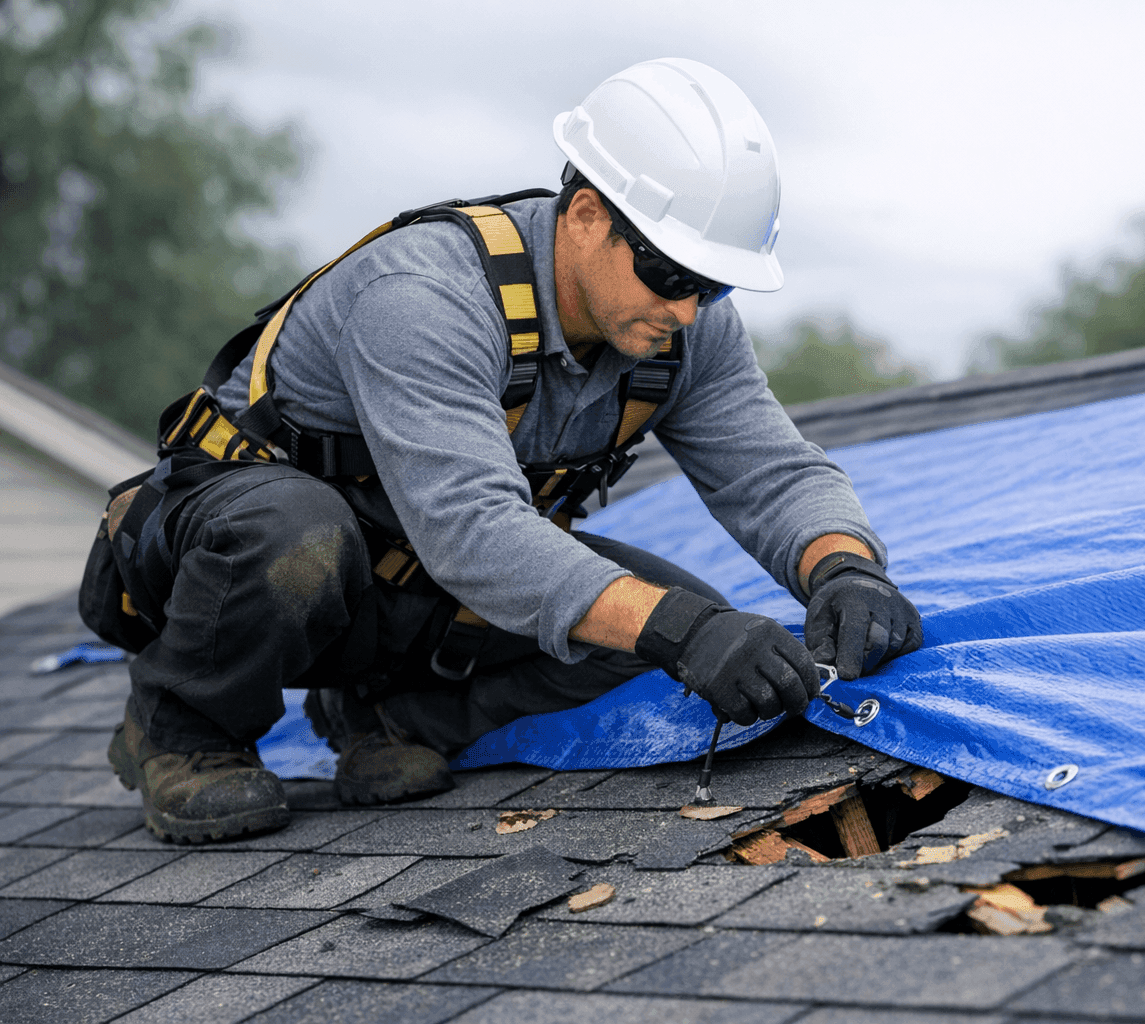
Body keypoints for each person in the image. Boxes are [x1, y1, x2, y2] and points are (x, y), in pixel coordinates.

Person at [85, 57, 923, 845]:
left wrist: (843, 568)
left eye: (717, 284)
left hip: (412, 580)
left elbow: (769, 469)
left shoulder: (684, 326)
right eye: (673, 274)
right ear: (589, 215)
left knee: (666, 627)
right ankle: (183, 726)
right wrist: (681, 630)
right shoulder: (426, 294)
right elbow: (471, 527)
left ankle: (387, 719)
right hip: (245, 565)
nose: (691, 311)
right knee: (301, 532)